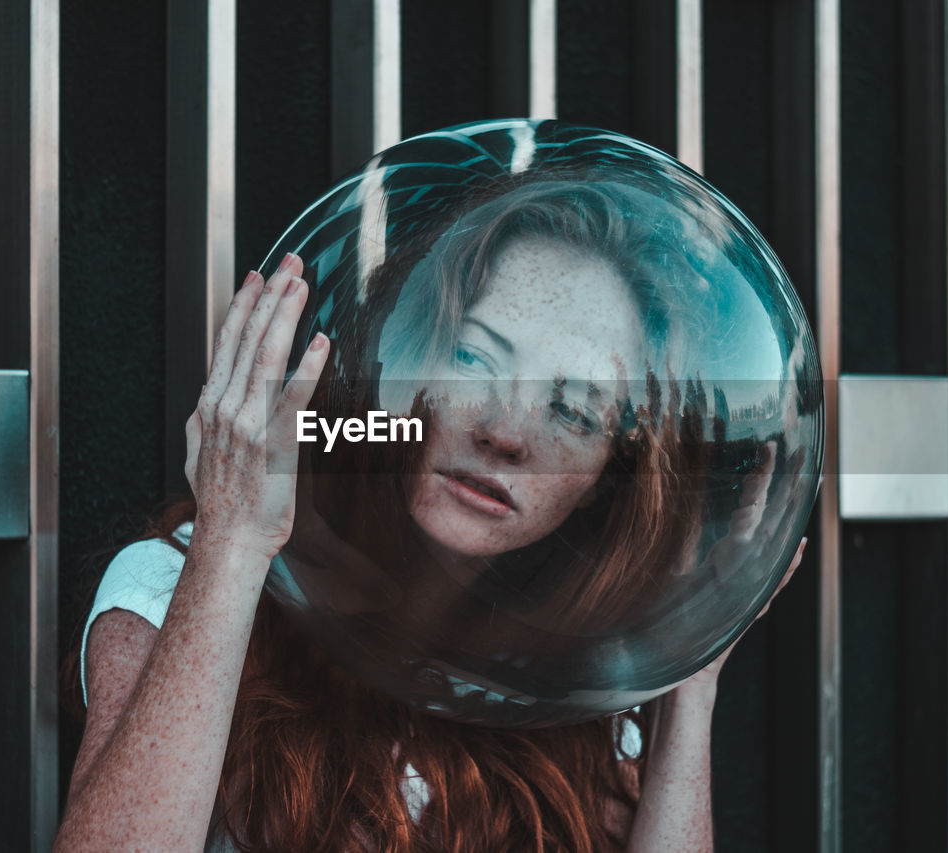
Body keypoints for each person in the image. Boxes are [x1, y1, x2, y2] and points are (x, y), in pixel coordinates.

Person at [53, 180, 806, 852]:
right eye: (474, 360)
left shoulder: (577, 679)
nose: (504, 432)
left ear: (606, 481)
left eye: (572, 410)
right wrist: (232, 543)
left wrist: (690, 681)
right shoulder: (177, 580)